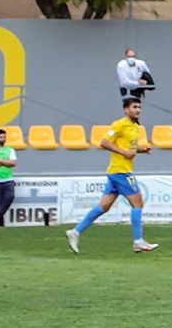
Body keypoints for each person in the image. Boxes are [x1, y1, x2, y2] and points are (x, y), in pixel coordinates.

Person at [66, 98, 157, 254]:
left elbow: (129, 147)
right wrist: (123, 153)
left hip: (117, 172)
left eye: (139, 107)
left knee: (103, 207)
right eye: (134, 107)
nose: (138, 110)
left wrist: (141, 149)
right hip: (121, 171)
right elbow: (104, 142)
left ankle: (75, 232)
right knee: (138, 204)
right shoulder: (119, 124)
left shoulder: (134, 127)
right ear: (126, 109)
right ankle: (138, 241)